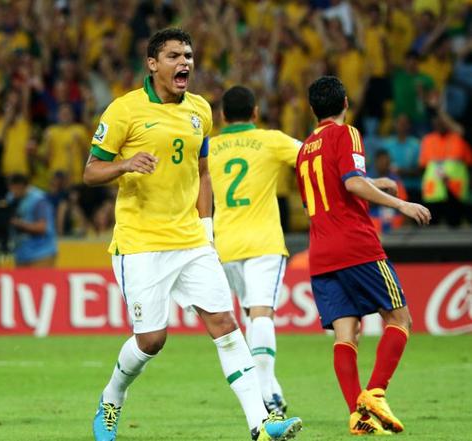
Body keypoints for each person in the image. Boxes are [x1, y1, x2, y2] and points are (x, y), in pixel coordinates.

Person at [84, 28, 302, 441]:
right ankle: (111, 400)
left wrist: (205, 227)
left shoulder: (200, 109)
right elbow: (91, 170)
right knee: (151, 340)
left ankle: (261, 422)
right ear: (152, 64)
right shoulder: (124, 110)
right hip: (141, 242)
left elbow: (203, 172)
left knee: (225, 323)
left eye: (188, 55)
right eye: (173, 56)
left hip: (190, 240)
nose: (184, 62)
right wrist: (125, 164)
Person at [296, 76, 431, 436]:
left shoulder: (304, 149)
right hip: (356, 245)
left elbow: (322, 196)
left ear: (312, 110)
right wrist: (401, 202)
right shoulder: (347, 133)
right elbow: (350, 183)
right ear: (345, 102)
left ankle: (358, 415)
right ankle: (376, 393)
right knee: (400, 320)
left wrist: (374, 183)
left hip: (321, 251)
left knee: (347, 333)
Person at [208, 85, 303, 416]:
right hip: (263, 241)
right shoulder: (271, 139)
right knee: (261, 313)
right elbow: (312, 157)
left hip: (226, 244)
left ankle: (271, 386)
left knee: (250, 314)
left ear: (222, 116)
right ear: (255, 113)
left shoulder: (210, 147)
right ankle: (266, 392)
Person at [6, 173, 58, 267]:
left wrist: (19, 224)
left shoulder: (38, 200)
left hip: (41, 255)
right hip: (21, 254)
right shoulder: (11, 198)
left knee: (41, 281)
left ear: (21, 186)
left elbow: (42, 227)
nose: (12, 192)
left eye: (14, 189)